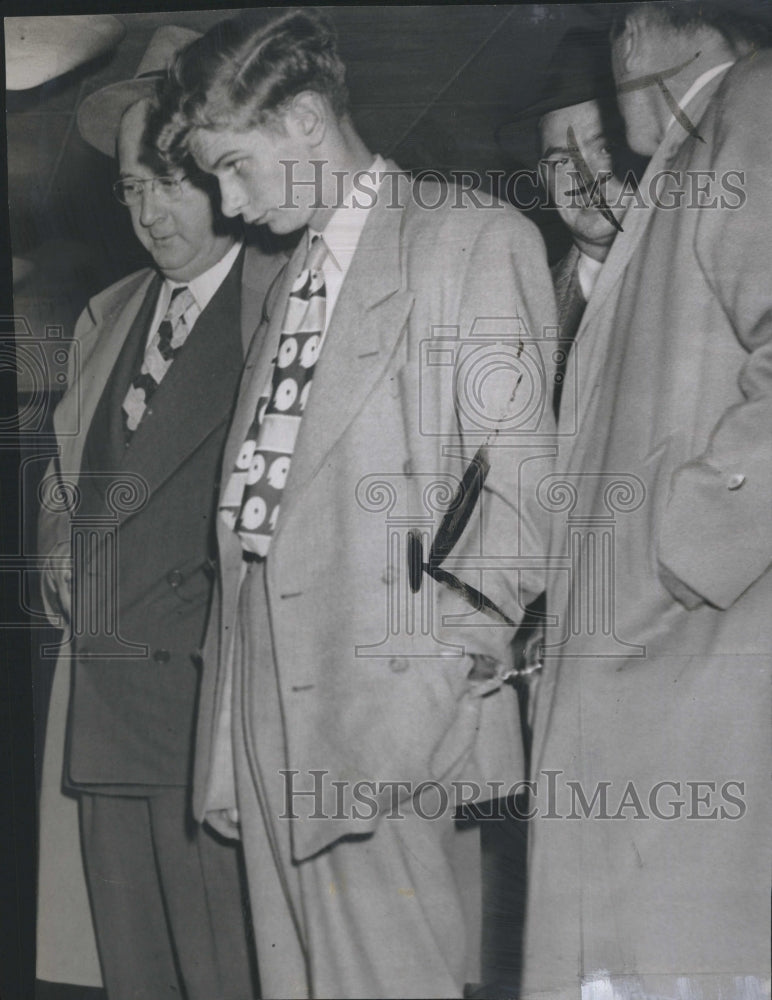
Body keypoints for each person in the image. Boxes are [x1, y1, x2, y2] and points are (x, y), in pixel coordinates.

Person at [154, 10, 557, 998]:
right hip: (262, 682)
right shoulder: (290, 275)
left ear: (301, 119)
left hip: (382, 701)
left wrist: (431, 681)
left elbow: (520, 491)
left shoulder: (466, 240)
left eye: (236, 167)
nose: (229, 201)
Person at [518, 3, 772, 996]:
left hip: (686, 664)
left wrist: (679, 549)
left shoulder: (747, 110)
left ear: (635, 39)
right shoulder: (693, 146)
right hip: (647, 674)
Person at [36, 25, 285, 1000]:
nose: (148, 213)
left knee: (228, 971)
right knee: (133, 972)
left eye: (168, 183)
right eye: (130, 191)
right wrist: (60, 534)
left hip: (213, 718)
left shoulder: (284, 303)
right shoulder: (109, 313)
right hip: (107, 715)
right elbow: (69, 467)